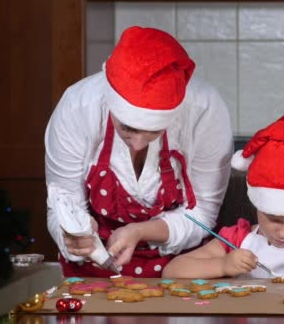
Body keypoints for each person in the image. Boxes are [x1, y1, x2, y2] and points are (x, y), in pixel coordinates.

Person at [44, 26, 233, 277]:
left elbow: (202, 215)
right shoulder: (78, 107)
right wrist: (73, 235)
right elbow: (62, 203)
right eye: (128, 129)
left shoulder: (204, 110)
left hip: (181, 269)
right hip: (92, 267)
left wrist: (140, 231)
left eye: (154, 132)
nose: (138, 145)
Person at [162, 110, 284, 282]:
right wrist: (222, 265)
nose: (283, 233)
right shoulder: (237, 239)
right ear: (258, 206)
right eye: (274, 220)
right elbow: (173, 270)